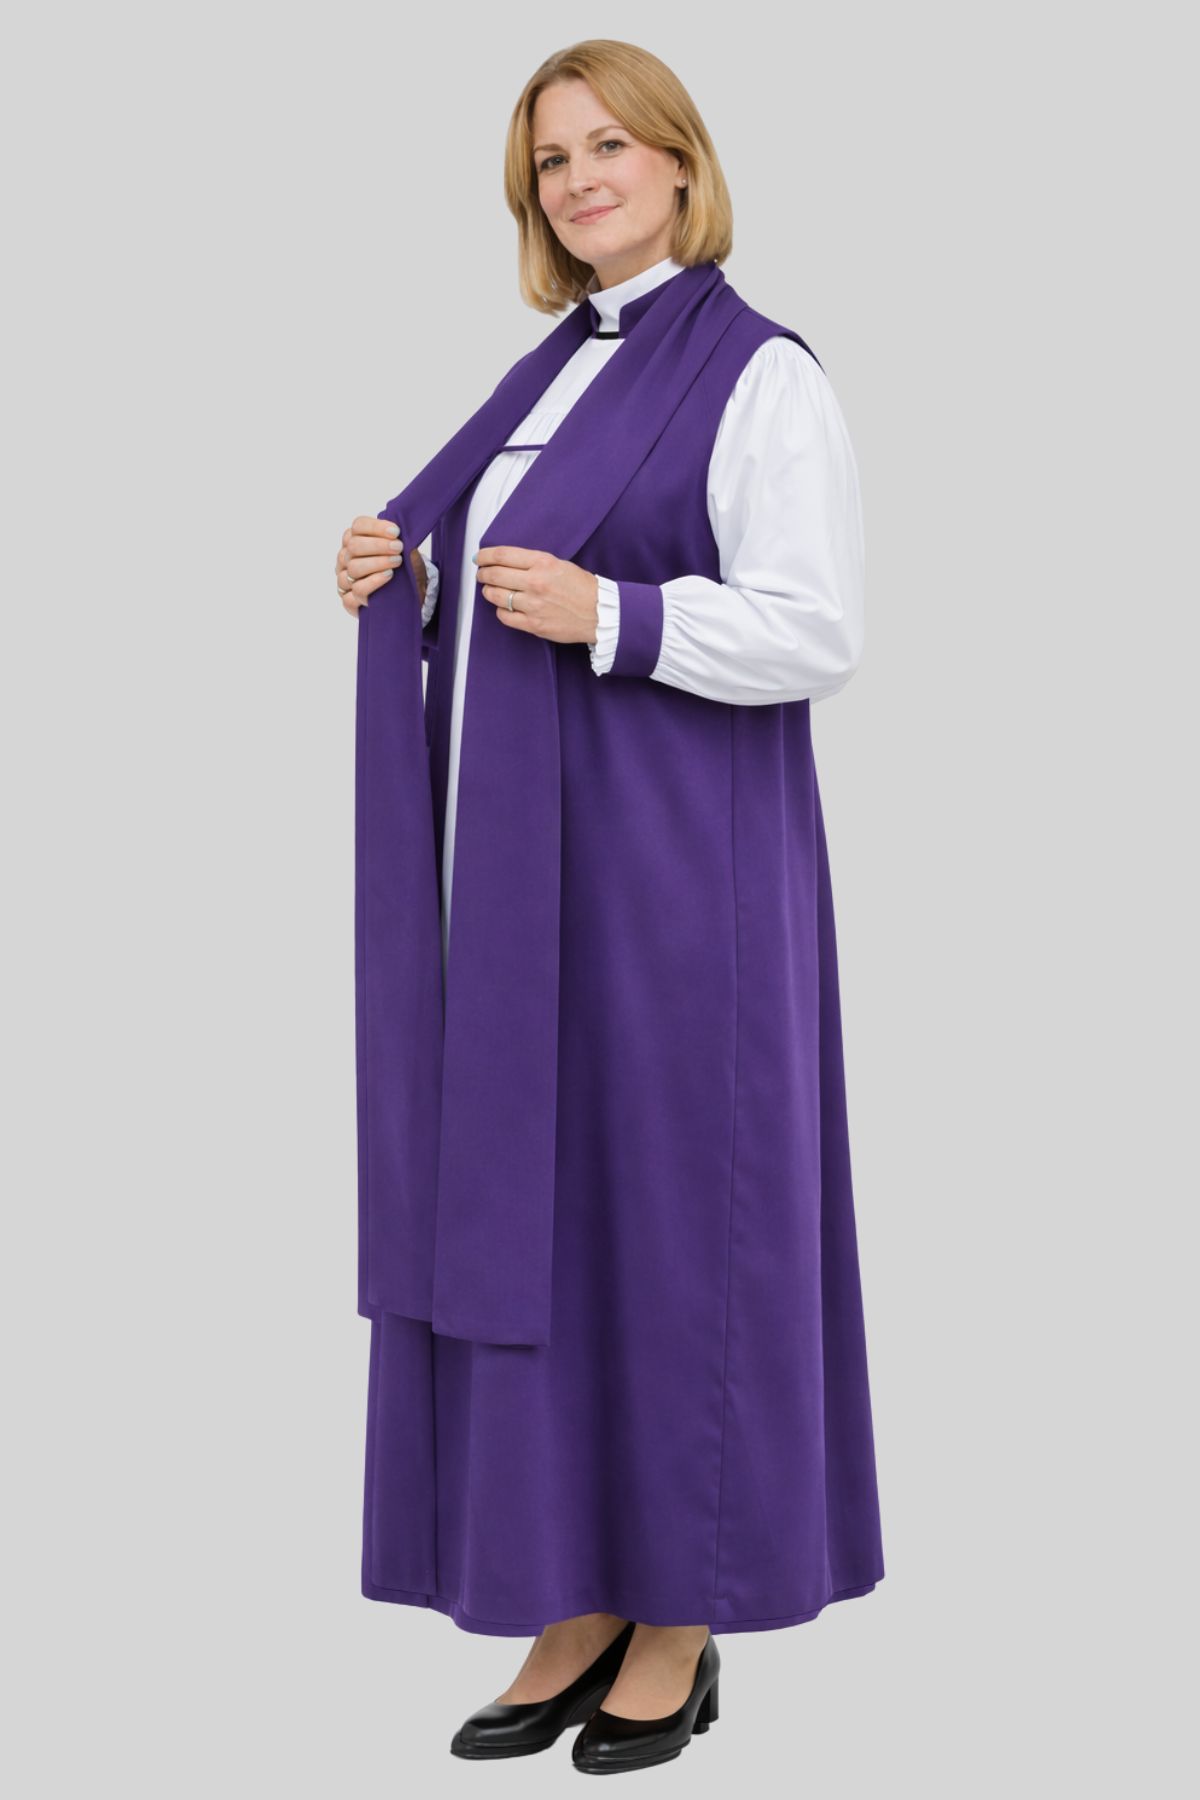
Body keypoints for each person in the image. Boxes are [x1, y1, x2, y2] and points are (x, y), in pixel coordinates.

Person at [335, 38, 884, 1777]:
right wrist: (407, 585)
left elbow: (816, 625)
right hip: (532, 893)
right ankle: (568, 1595)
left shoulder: (759, 372)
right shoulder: (548, 376)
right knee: (556, 1223)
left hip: (679, 887)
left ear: (681, 163)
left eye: (606, 149)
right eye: (549, 164)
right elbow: (511, 592)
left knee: (675, 1225)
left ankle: (682, 1614)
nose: (578, 184)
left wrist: (618, 616)